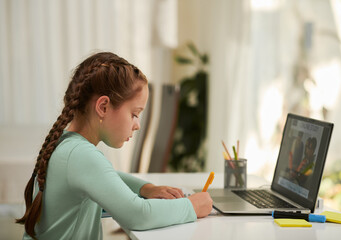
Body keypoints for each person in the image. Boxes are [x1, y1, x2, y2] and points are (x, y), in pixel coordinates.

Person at [16, 52, 213, 239]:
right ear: (103, 107)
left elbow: (106, 177)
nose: (137, 125)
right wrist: (191, 206)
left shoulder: (67, 145)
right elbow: (138, 215)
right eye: (134, 114)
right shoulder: (81, 155)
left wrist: (146, 188)